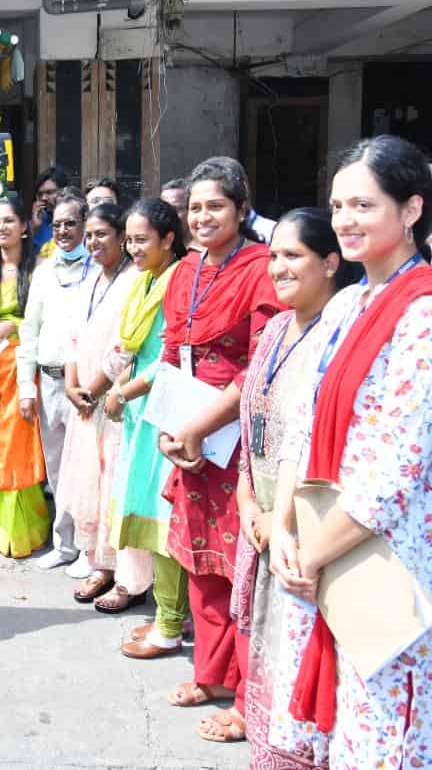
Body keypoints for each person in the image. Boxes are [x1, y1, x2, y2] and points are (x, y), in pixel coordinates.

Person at [276, 136, 432, 767]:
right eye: (339, 205)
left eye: (364, 205)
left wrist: (308, 554)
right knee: (330, 727)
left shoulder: (421, 316)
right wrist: (284, 527)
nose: (345, 220)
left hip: (386, 560)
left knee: (381, 735)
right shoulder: (344, 304)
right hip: (320, 550)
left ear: (412, 210)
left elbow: (397, 467)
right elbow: (305, 422)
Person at [218, 208, 356, 756]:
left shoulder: (339, 339)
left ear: (330, 263)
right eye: (273, 255)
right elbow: (254, 426)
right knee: (263, 667)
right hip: (262, 523)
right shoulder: (275, 327)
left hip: (306, 537)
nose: (277, 267)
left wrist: (287, 525)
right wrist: (250, 501)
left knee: (303, 676)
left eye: (292, 255)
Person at [155, 160, 284, 720]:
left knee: (242, 568)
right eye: (195, 208)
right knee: (200, 563)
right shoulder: (184, 271)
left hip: (236, 436)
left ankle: (248, 693)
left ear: (240, 209)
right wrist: (168, 427)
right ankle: (209, 675)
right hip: (188, 434)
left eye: (215, 206)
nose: (203, 217)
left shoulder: (260, 267)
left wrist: (198, 427)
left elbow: (259, 367)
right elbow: (168, 353)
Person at [99, 200, 191, 644]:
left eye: (142, 240)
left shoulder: (177, 282)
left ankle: (172, 622)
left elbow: (169, 360)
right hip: (140, 411)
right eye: (130, 239)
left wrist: (121, 391)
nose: (133, 248)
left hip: (165, 411)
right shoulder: (144, 283)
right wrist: (119, 385)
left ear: (169, 239)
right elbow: (134, 352)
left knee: (165, 515)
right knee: (148, 512)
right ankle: (168, 614)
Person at [54, 203, 152, 607]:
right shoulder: (91, 280)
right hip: (85, 401)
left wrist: (93, 391)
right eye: (89, 235)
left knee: (116, 484)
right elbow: (74, 336)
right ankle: (100, 566)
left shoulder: (134, 281)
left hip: (113, 402)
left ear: (122, 239)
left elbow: (125, 347)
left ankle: (129, 579)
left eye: (102, 235)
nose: (93, 242)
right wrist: (72, 385)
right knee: (89, 483)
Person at [0, 193, 52, 557]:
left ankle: (26, 530)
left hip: (26, 373)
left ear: (23, 226)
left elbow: (49, 322)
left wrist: (13, 327)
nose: (0, 227)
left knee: (22, 447)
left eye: (7, 221)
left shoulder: (40, 271)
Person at [17, 190, 93, 574]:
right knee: (58, 469)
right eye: (58, 223)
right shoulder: (44, 271)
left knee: (89, 469)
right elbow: (29, 331)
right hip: (48, 384)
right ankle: (64, 544)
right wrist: (26, 389)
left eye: (71, 223)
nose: (63, 230)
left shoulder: (98, 269)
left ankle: (89, 548)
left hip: (84, 387)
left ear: (85, 225)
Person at [29, 166, 67, 253]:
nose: (44, 198)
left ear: (63, 191)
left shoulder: (74, 222)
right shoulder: (35, 223)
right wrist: (33, 228)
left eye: (49, 192)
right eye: (40, 194)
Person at [160, 178, 193, 251]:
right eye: (164, 209)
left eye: (177, 209)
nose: (169, 215)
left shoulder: (206, 253)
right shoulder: (157, 251)